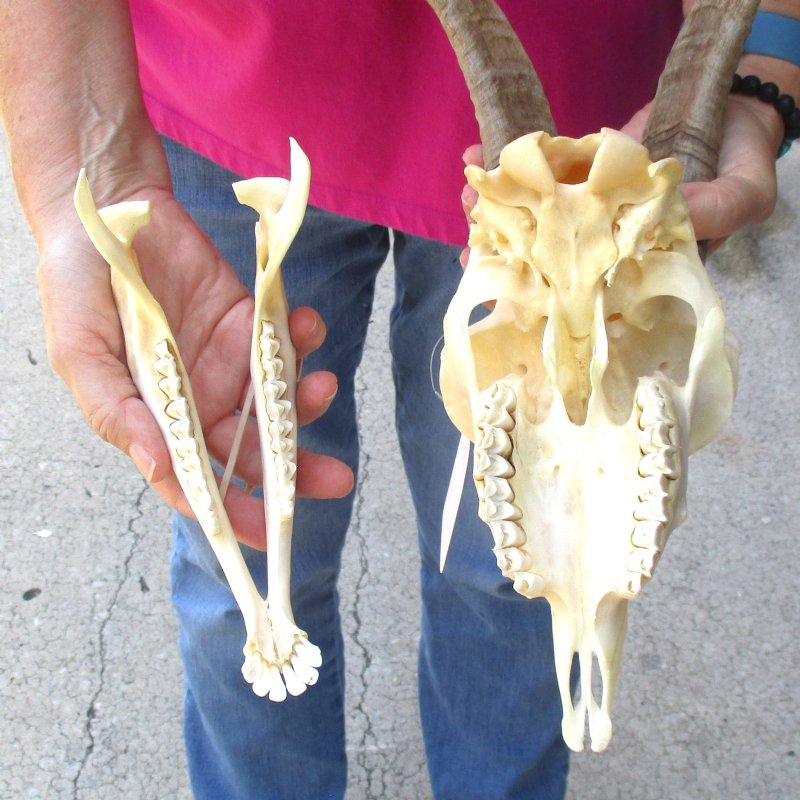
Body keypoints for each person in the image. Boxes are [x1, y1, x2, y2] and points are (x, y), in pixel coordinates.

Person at [1, 1, 798, 798]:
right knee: (239, 545)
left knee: (526, 552)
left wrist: (764, 65)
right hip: (227, 91)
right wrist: (87, 173)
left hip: (580, 160)